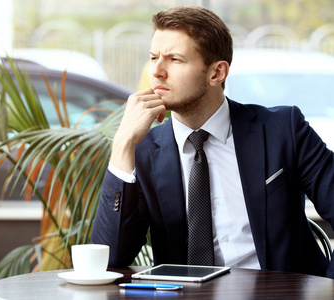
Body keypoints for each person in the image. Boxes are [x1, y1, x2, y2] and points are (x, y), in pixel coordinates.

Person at [91, 6, 334, 278]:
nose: (156, 71)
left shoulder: (283, 130)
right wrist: (123, 145)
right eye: (154, 57)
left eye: (175, 59)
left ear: (217, 73)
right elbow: (109, 257)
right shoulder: (145, 150)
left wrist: (327, 290)